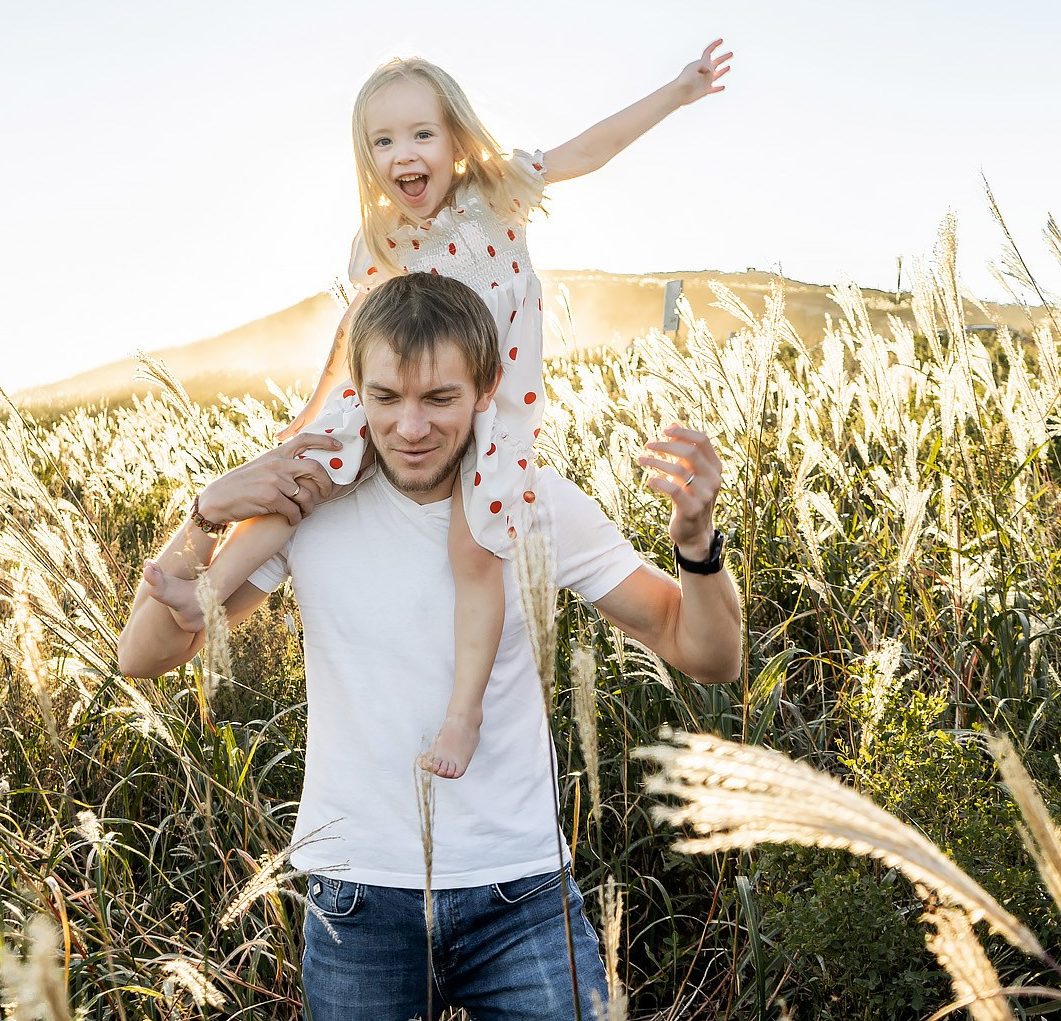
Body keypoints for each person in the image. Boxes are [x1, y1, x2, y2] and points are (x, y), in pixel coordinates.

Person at [118, 271, 743, 1020]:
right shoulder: (310, 502)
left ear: (486, 390)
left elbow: (707, 652)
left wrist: (697, 543)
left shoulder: (532, 501)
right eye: (386, 398)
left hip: (522, 895)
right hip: (357, 902)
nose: (410, 426)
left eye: (438, 398)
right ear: (358, 390)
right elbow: (146, 654)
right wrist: (206, 512)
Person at [143, 41, 731, 778]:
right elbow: (354, 331)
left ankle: (465, 713)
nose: (403, 153)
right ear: (366, 157)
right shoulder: (380, 240)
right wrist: (314, 410)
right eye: (382, 140)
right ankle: (207, 596)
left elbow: (593, 147)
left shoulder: (500, 192)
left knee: (475, 547)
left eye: (421, 133)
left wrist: (677, 91)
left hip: (492, 405)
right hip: (404, 391)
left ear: (456, 136)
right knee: (300, 478)